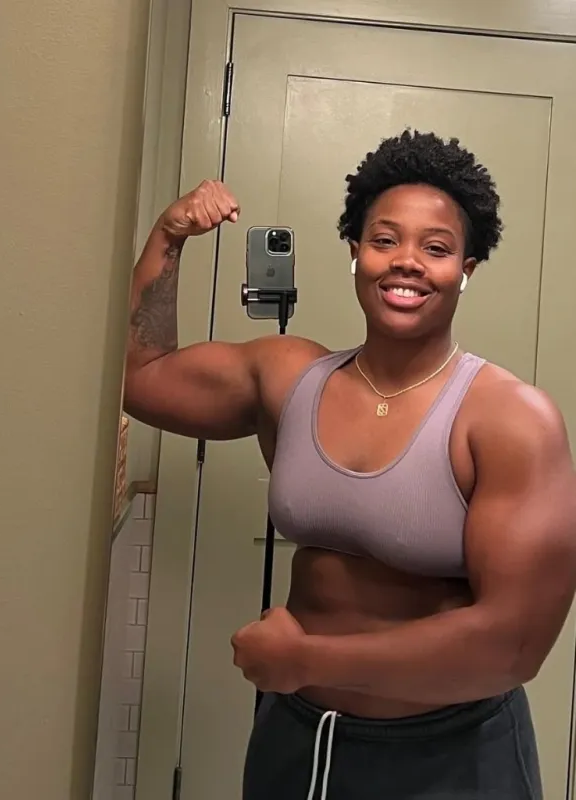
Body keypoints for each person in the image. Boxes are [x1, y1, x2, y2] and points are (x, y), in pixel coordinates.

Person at [123, 129, 576, 799]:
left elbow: (513, 645)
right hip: (300, 738)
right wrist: (169, 236)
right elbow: (139, 377)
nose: (407, 262)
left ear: (467, 268)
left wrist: (307, 659)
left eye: (436, 248)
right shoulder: (289, 379)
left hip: (454, 754)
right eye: (385, 240)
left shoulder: (510, 419)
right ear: (355, 253)